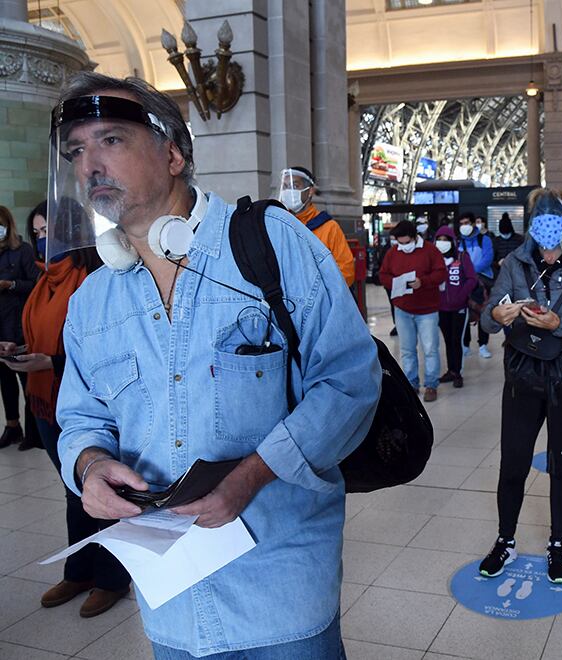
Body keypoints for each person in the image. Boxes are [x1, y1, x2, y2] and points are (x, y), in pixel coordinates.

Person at [52, 73, 380, 659]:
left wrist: (252, 473)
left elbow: (348, 381)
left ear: (173, 154)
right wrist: (90, 466)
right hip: (172, 607)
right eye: (76, 151)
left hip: (280, 592)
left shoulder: (269, 244)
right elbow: (81, 418)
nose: (90, 165)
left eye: (111, 140)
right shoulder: (92, 301)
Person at [0, 200, 131, 617]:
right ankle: (80, 570)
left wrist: (50, 362)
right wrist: (21, 348)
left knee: (102, 489)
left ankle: (112, 577)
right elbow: (44, 332)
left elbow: (100, 352)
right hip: (46, 401)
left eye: (49, 231)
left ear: (73, 231)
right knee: (73, 490)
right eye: (37, 233)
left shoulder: (95, 276)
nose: (43, 241)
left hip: (87, 400)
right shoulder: (45, 280)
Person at [478, 189, 562, 584]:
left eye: (554, 222)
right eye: (541, 222)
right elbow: (486, 319)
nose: (548, 231)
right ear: (531, 225)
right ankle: (505, 540)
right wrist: (497, 315)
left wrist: (559, 324)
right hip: (523, 376)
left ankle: (557, 543)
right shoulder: (514, 265)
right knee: (513, 462)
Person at [378, 220, 446, 402]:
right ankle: (411, 384)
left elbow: (441, 273)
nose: (403, 246)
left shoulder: (430, 250)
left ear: (415, 237)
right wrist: (395, 283)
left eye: (407, 242)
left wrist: (423, 282)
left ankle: (431, 385)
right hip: (403, 309)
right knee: (407, 349)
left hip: (427, 309)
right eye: (400, 243)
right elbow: (383, 274)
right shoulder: (393, 252)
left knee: (430, 349)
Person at [0, 205, 41, 450]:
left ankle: (34, 431)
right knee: (5, 381)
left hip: (19, 325)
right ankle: (12, 426)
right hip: (0, 329)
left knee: (27, 380)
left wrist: (11, 284)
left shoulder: (22, 250)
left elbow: (36, 283)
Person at [277, 166, 356, 287]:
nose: (288, 191)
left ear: (310, 191)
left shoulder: (329, 227)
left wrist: (318, 290)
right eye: (285, 186)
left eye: (295, 186)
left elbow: (346, 271)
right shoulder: (280, 226)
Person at [434, 225, 476, 389]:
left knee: (456, 340)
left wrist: (461, 295)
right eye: (439, 239)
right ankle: (451, 370)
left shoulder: (462, 257)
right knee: (447, 340)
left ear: (452, 241)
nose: (442, 242)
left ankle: (457, 372)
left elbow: (472, 279)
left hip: (459, 308)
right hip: (441, 308)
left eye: (445, 240)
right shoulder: (435, 258)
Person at [458, 212, 495, 359]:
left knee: (483, 312)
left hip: (482, 280)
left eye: (466, 223)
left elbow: (488, 258)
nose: (464, 226)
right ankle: (465, 345)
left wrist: (471, 271)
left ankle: (483, 344)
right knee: (465, 313)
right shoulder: (459, 242)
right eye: (461, 224)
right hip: (465, 281)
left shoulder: (484, 239)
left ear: (473, 223)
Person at [492, 212, 523, 278]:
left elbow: (524, 255)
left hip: (517, 272)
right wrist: (498, 264)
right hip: (500, 273)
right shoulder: (495, 241)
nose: (505, 235)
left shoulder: (519, 239)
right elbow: (491, 259)